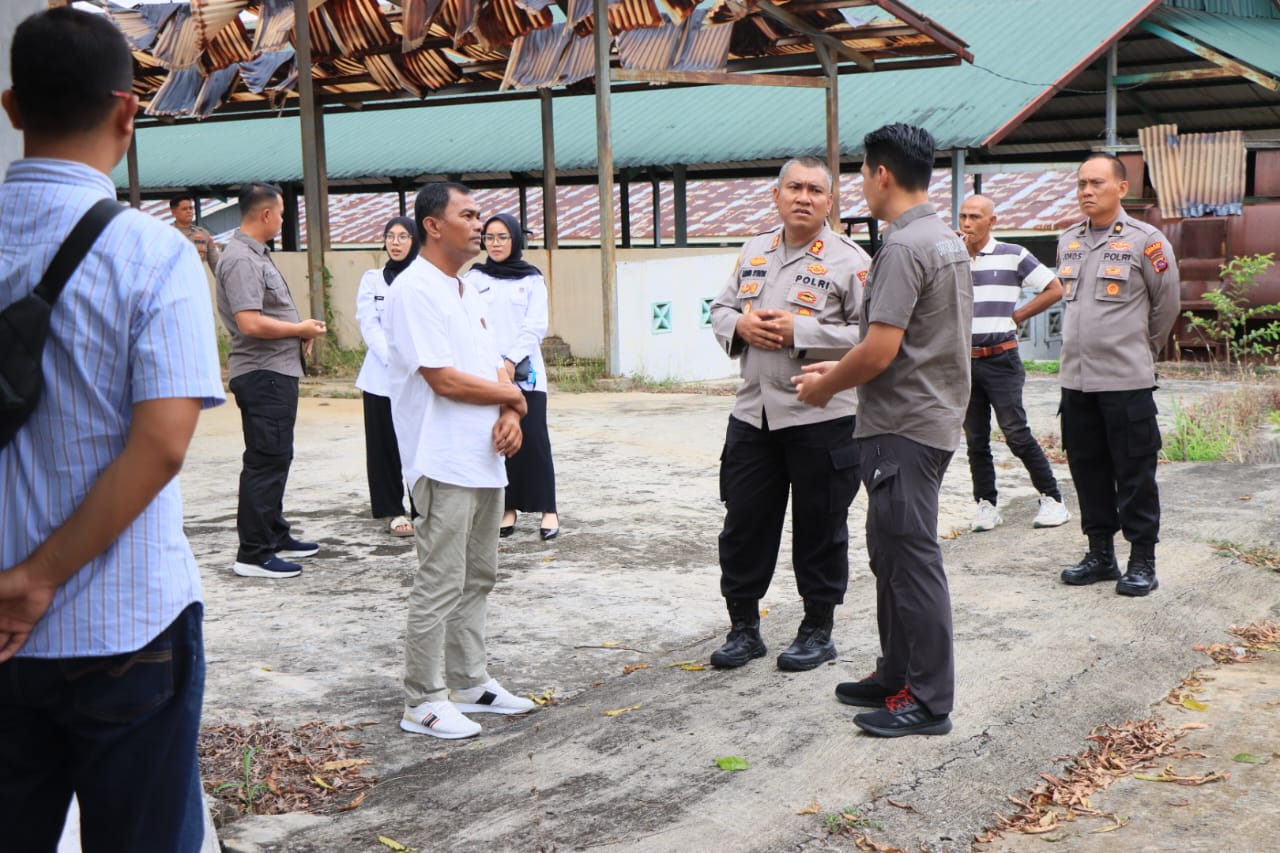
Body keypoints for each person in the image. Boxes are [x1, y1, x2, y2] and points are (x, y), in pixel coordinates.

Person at [0, 7, 225, 850]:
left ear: (12, 107)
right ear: (128, 111)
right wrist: (37, 577)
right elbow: (161, 443)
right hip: (123, 623)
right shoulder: (153, 254)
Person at [793, 123, 972, 737]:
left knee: (912, 560)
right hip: (926, 417)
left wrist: (826, 386)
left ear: (883, 174)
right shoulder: (943, 237)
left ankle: (928, 698)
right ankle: (897, 672)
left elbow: (879, 350)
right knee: (890, 554)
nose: (861, 186)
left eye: (863, 173)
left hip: (903, 424)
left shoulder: (901, 247)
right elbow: (914, 340)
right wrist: (838, 369)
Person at [385, 182, 536, 739]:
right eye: (468, 215)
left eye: (479, 216)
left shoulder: (467, 290)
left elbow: (497, 369)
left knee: (478, 574)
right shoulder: (414, 290)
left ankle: (470, 682)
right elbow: (443, 379)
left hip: (484, 455)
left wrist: (512, 410)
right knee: (441, 579)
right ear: (433, 225)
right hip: (440, 457)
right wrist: (514, 397)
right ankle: (423, 700)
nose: (480, 225)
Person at [708, 155, 870, 673]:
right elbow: (721, 309)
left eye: (815, 190)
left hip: (822, 416)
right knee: (744, 524)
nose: (804, 197)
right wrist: (740, 327)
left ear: (830, 201)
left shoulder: (851, 260)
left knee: (820, 526)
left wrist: (801, 331)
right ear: (776, 195)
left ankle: (817, 630)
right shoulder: (754, 250)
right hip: (753, 414)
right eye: (794, 187)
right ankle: (744, 629)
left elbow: (873, 336)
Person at [1056, 153, 1180, 596]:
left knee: (1135, 474)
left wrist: (1140, 351)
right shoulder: (1068, 240)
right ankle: (1100, 555)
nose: (1087, 191)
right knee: (1087, 469)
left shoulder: (1147, 242)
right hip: (1076, 381)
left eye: (1097, 183)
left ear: (1121, 188)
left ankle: (1142, 561)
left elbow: (1166, 306)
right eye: (1081, 183)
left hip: (1126, 382)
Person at [216, 182, 327, 579]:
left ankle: (273, 533)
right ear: (265, 214)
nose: (282, 220)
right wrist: (298, 328)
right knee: (265, 461)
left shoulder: (254, 254)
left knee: (277, 456)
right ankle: (254, 554)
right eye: (280, 213)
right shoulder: (241, 259)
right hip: (263, 374)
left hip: (274, 371)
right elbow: (249, 322)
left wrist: (298, 333)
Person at [957, 194, 1069, 532]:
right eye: (963, 216)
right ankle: (986, 504)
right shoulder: (952, 259)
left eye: (975, 217)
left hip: (1001, 359)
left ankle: (1052, 498)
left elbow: (1054, 289)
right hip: (965, 361)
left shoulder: (1012, 254)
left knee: (1016, 433)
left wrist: (1017, 315)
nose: (967, 224)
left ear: (992, 222)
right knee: (975, 439)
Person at [465, 213, 560, 541]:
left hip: (525, 372)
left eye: (502, 237)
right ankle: (508, 508)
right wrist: (495, 364)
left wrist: (509, 361)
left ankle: (548, 509)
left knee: (533, 438)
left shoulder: (532, 279)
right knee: (499, 440)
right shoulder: (473, 278)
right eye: (490, 237)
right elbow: (470, 324)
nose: (495, 244)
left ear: (516, 239)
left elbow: (535, 326)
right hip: (486, 372)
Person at [355, 216, 420, 537]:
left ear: (415, 241)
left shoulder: (424, 278)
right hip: (380, 377)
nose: (395, 242)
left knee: (419, 444)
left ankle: (423, 509)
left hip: (419, 375)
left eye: (403, 236)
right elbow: (369, 324)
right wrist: (394, 359)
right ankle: (393, 510)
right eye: (390, 236)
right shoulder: (372, 280)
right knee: (384, 446)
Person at [170, 192, 220, 271]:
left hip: (198, 277)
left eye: (190, 208)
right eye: (184, 209)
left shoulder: (203, 234)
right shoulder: (167, 234)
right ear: (174, 212)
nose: (189, 211)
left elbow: (215, 264)